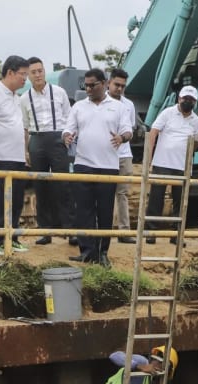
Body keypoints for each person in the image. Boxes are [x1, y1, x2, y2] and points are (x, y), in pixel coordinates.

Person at [63, 68, 133, 267]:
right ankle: (87, 251)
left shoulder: (118, 107)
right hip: (83, 164)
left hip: (108, 167)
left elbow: (128, 130)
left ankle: (103, 252)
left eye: (92, 85)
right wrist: (66, 136)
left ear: (104, 83)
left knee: (104, 211)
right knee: (83, 211)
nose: (88, 89)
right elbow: (68, 128)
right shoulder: (78, 106)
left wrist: (122, 137)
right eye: (85, 85)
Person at [21, 56, 74, 246]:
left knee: (63, 184)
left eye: (40, 71)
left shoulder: (59, 92)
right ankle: (45, 231)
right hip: (37, 140)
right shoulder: (24, 98)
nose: (37, 75)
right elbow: (25, 127)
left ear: (44, 71)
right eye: (33, 72)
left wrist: (67, 136)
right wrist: (26, 151)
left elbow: (69, 118)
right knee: (40, 187)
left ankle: (70, 230)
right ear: (28, 75)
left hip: (57, 139)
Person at [0, 55, 30, 256]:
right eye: (22, 74)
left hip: (18, 156)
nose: (25, 79)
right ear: (10, 72)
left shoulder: (17, 98)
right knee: (1, 198)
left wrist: (25, 151)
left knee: (17, 198)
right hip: (0, 155)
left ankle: (13, 236)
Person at [145, 85, 198, 245]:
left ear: (195, 102)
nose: (187, 102)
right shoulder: (167, 113)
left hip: (182, 166)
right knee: (156, 199)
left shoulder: (196, 121)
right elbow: (154, 132)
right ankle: (150, 232)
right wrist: (149, 159)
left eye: (191, 100)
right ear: (179, 98)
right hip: (161, 163)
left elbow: (197, 142)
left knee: (181, 202)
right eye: (185, 99)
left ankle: (176, 234)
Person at [108, 68, 137, 243]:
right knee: (102, 194)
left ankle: (124, 232)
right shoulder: (98, 102)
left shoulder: (129, 105)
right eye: (116, 85)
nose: (119, 88)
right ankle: (101, 231)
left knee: (123, 194)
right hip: (103, 155)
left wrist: (122, 138)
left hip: (124, 155)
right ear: (108, 83)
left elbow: (130, 129)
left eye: (123, 86)